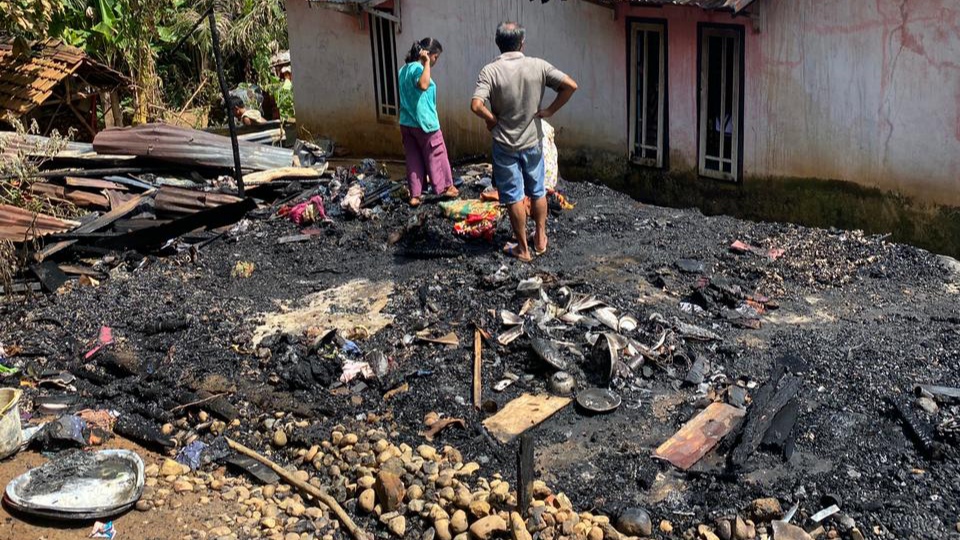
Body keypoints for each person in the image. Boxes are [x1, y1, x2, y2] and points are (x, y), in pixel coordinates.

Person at [471, 22, 578, 262]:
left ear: (498, 43)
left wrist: (490, 119)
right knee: (537, 191)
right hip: (532, 141)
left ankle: (522, 248)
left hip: (505, 144)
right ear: (522, 43)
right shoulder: (538, 65)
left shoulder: (489, 71)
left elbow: (476, 105)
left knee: (513, 196)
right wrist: (549, 110)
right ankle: (540, 239)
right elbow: (570, 86)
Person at [398, 38, 459, 207]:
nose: (435, 62)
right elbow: (423, 85)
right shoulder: (419, 68)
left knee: (413, 158)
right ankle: (445, 186)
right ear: (429, 54)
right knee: (437, 153)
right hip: (425, 123)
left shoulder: (403, 70)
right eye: (435, 58)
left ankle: (415, 195)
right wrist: (425, 64)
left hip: (406, 122)